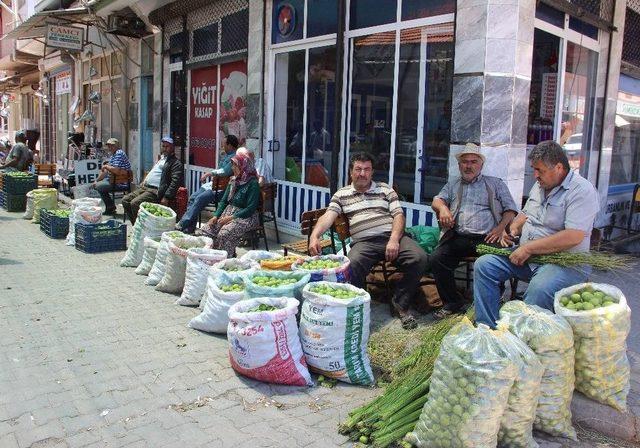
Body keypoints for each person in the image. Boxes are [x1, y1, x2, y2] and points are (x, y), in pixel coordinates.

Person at [473, 140, 599, 328]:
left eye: (540, 170)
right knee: (484, 265)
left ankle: (524, 345)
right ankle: (488, 329)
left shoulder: (582, 190)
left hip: (562, 262)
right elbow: (525, 213)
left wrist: (529, 248)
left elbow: (574, 236)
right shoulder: (540, 185)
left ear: (558, 167)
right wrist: (514, 228)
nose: (535, 175)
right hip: (529, 258)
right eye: (534, 169)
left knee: (538, 290)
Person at [308, 152, 428, 330]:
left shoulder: (385, 189)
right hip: (364, 242)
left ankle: (400, 303)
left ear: (372, 172)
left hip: (392, 237)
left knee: (420, 258)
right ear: (351, 172)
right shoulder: (342, 194)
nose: (362, 173)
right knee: (352, 263)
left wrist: (394, 239)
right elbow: (328, 216)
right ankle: (358, 306)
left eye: (366, 169)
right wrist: (314, 236)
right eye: (358, 169)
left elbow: (399, 216)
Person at [429, 143, 518, 318]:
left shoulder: (494, 183)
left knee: (495, 261)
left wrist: (500, 229)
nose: (469, 166)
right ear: (459, 165)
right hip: (459, 236)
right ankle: (453, 302)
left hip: (488, 237)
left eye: (473, 162)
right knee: (437, 259)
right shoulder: (453, 184)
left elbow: (511, 209)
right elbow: (436, 201)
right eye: (465, 162)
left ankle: (494, 300)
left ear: (481, 165)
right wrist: (443, 209)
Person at [198, 153, 260, 257]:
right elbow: (223, 201)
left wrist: (231, 218)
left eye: (235, 165)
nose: (232, 168)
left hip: (246, 217)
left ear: (243, 166)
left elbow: (250, 208)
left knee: (224, 234)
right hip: (229, 213)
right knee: (206, 230)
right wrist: (215, 216)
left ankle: (226, 259)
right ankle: (211, 257)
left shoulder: (253, 183)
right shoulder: (233, 181)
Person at [175, 135, 239, 233]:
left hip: (222, 190)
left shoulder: (235, 158)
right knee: (193, 197)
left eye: (224, 144)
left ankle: (183, 223)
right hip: (213, 185)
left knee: (200, 199)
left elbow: (225, 171)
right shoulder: (225, 156)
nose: (223, 146)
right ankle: (189, 228)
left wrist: (209, 173)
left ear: (230, 145)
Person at [122, 136, 183, 224]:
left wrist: (166, 197)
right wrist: (145, 180)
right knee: (125, 200)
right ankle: (136, 225)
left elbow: (175, 182)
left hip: (155, 191)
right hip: (145, 187)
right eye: (163, 146)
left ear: (172, 148)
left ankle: (142, 226)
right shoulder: (162, 159)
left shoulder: (175, 163)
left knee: (135, 203)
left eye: (167, 147)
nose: (165, 149)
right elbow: (154, 172)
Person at [91, 138, 131, 215]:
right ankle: (110, 206)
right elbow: (105, 171)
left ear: (117, 146)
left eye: (112, 146)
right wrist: (97, 180)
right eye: (109, 146)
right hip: (114, 180)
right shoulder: (114, 155)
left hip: (120, 182)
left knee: (99, 187)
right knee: (97, 185)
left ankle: (110, 207)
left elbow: (116, 170)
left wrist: (106, 166)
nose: (110, 148)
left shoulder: (119, 153)